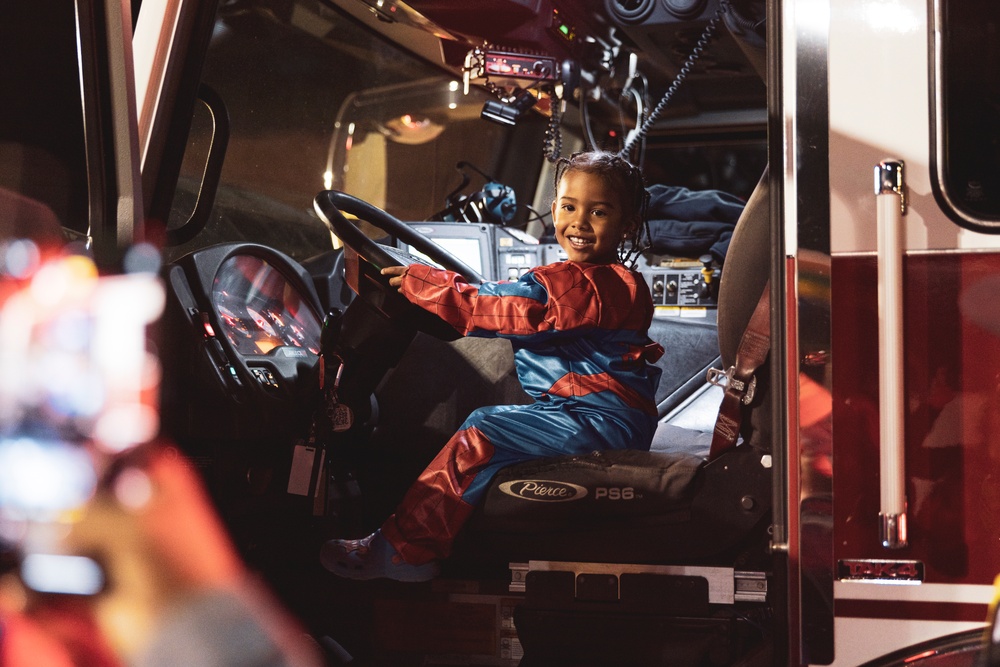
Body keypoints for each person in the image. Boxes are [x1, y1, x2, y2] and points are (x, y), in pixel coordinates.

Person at [320, 150, 664, 582]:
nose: (579, 222)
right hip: (596, 414)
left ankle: (406, 552)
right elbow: (504, 295)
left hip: (598, 421)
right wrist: (442, 287)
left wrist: (426, 285)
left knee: (482, 431)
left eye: (598, 211)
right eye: (569, 207)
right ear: (553, 208)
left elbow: (516, 309)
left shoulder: (596, 284)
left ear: (627, 224)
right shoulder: (594, 278)